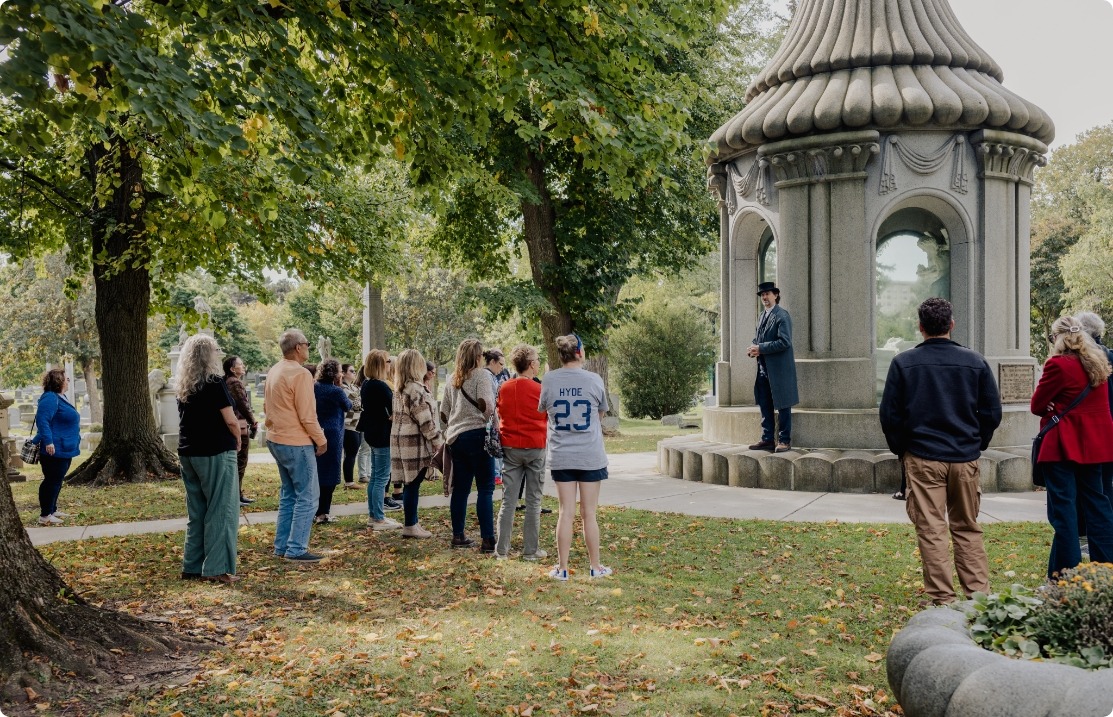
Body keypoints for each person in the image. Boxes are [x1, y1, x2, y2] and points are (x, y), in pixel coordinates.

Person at [879, 298, 1002, 605]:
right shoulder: (975, 361)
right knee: (967, 528)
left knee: (932, 529)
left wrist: (902, 450)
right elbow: (992, 412)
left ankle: (943, 600)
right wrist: (977, 443)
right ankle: (979, 598)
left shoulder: (903, 363)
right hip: (964, 457)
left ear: (920, 328)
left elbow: (890, 415)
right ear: (952, 325)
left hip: (923, 456)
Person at [1031, 315, 1113, 579]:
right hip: (1096, 444)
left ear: (1057, 338)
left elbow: (1036, 406)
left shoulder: (1058, 365)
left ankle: (1066, 574)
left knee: (1064, 510)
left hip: (1063, 446)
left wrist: (1054, 406)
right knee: (1098, 504)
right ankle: (1106, 568)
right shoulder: (1098, 362)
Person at [538, 334, 612, 580]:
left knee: (565, 512)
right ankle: (595, 567)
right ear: (580, 353)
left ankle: (563, 568)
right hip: (590, 454)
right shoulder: (594, 379)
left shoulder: (548, 379)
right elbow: (599, 414)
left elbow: (545, 411)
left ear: (561, 355)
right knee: (589, 513)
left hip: (561, 454)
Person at [177, 335, 242, 583]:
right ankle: (216, 568)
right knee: (222, 509)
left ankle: (192, 566)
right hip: (215, 451)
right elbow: (230, 419)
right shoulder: (214, 382)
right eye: (216, 350)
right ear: (209, 355)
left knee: (198, 511)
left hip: (189, 452)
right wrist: (237, 438)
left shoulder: (184, 385)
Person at [264, 329, 328, 562]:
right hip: (295, 441)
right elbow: (307, 415)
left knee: (289, 494)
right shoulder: (300, 374)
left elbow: (266, 408)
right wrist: (321, 440)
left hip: (276, 438)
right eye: (307, 344)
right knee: (308, 496)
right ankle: (296, 548)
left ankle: (282, 545)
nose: (309, 348)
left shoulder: (274, 370)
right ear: (299, 347)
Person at [440, 338, 497, 551]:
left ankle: (458, 535)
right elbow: (487, 405)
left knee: (461, 489)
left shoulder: (452, 379)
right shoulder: (482, 375)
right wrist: (489, 420)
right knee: (485, 488)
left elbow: (444, 413)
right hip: (478, 435)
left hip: (456, 438)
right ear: (478, 356)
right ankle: (488, 539)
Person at [494, 344, 549, 560]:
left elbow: (500, 412)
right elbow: (546, 415)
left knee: (509, 499)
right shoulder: (539, 390)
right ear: (532, 364)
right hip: (535, 445)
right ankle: (530, 550)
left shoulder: (504, 388)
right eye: (536, 359)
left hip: (511, 446)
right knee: (534, 500)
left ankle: (502, 550)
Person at [390, 349, 444, 538]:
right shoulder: (415, 389)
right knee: (413, 483)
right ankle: (410, 525)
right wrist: (438, 441)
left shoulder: (401, 388)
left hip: (402, 441)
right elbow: (425, 421)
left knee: (411, 483)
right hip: (414, 443)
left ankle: (412, 522)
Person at [746, 281, 798, 453]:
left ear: (775, 295)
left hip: (779, 369)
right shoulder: (761, 316)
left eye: (767, 294)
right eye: (762, 295)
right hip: (763, 369)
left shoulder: (782, 315)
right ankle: (767, 439)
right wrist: (753, 348)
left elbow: (785, 342)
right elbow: (758, 339)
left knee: (783, 404)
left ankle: (784, 440)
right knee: (765, 403)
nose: (765, 297)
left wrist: (761, 348)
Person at [32, 368, 80, 526]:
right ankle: (45, 515)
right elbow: (42, 421)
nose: (68, 381)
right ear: (59, 381)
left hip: (64, 447)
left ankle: (52, 509)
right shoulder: (50, 398)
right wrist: (49, 442)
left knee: (57, 480)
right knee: (51, 481)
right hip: (54, 448)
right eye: (67, 379)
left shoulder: (60, 396)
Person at [357, 349, 399, 530]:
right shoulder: (380, 385)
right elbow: (396, 407)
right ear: (380, 365)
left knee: (376, 477)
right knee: (381, 477)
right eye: (388, 361)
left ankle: (374, 515)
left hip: (373, 432)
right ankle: (378, 518)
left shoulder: (367, 384)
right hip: (382, 434)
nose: (390, 364)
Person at [313, 359, 351, 524]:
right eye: (340, 371)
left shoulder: (313, 387)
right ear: (335, 374)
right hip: (333, 433)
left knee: (317, 471)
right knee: (330, 473)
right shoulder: (336, 391)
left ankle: (315, 510)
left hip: (316, 432)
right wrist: (341, 385)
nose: (341, 374)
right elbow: (348, 406)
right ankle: (323, 512)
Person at [222, 355, 257, 506]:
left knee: (236, 462)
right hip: (239, 425)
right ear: (232, 369)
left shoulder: (225, 381)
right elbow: (243, 404)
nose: (243, 366)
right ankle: (236, 496)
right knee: (240, 461)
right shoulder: (234, 382)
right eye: (240, 365)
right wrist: (253, 421)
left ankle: (238, 493)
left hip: (232, 425)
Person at [484, 348, 509, 486]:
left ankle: (496, 474)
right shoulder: (487, 377)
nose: (502, 368)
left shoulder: (492, 376)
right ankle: (495, 475)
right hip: (490, 423)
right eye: (500, 364)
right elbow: (490, 404)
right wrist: (496, 423)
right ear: (492, 362)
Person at [340, 363, 364, 492]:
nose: (354, 373)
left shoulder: (354, 387)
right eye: (351, 371)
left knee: (353, 453)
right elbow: (354, 404)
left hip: (357, 424)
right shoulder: (342, 388)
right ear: (343, 373)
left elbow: (360, 403)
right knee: (350, 454)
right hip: (348, 425)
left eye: (354, 371)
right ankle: (348, 481)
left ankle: (350, 480)